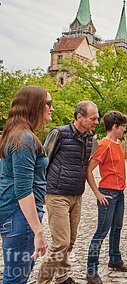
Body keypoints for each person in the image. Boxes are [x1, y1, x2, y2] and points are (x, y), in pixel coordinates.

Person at [37, 101, 99, 284]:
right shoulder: (59, 133)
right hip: (57, 194)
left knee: (70, 242)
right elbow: (43, 163)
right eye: (93, 118)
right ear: (79, 117)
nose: (97, 121)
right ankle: (42, 281)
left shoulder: (90, 138)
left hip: (76, 195)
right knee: (60, 243)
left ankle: (62, 278)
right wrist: (41, 192)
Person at [0, 86, 53, 283]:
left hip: (16, 216)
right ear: (35, 105)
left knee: (18, 275)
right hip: (19, 217)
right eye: (48, 103)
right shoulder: (24, 138)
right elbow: (23, 190)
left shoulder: (17, 134)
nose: (51, 108)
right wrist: (38, 231)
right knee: (15, 279)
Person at [86, 111, 127, 284]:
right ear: (114, 127)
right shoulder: (104, 145)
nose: (124, 130)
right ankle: (91, 271)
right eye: (123, 127)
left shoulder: (118, 143)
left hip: (120, 193)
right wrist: (97, 193)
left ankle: (115, 259)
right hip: (108, 194)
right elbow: (89, 170)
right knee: (101, 232)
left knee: (117, 228)